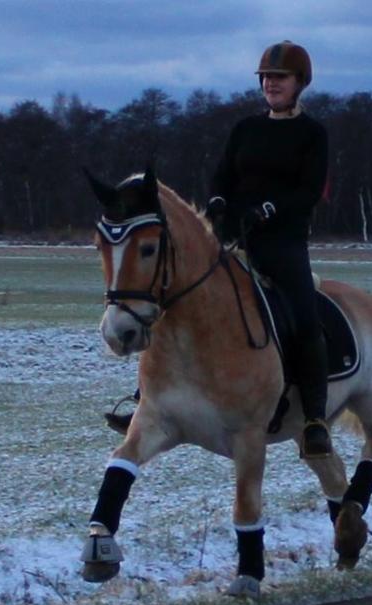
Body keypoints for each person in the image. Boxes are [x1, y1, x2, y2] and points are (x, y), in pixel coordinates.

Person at [107, 39, 332, 459]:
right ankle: (146, 399)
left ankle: (315, 419)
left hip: (283, 244)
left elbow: (309, 190)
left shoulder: (312, 134)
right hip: (234, 239)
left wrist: (270, 209)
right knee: (177, 302)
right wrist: (218, 204)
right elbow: (222, 177)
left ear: (300, 82)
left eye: (279, 78)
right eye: (266, 77)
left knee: (305, 316)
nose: (271, 84)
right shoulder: (245, 129)